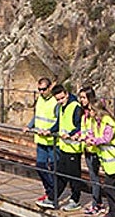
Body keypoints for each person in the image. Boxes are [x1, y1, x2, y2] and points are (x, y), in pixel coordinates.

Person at [85, 97, 115, 217]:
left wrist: (93, 141)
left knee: (109, 187)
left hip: (114, 159)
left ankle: (113, 213)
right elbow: (94, 133)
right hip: (109, 159)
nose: (90, 113)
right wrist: (88, 137)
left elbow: (106, 138)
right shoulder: (97, 121)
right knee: (111, 186)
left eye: (91, 110)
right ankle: (113, 211)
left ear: (97, 111)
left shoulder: (108, 122)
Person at [24, 78, 59, 208]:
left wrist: (50, 131)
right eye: (39, 90)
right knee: (40, 166)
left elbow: (59, 120)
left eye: (44, 89)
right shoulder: (39, 99)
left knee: (54, 169)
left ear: (50, 88)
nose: (41, 92)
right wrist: (29, 126)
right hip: (40, 139)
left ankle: (53, 195)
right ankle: (50, 193)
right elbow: (37, 115)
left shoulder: (55, 101)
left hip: (52, 141)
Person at [53, 84, 85, 210]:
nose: (60, 101)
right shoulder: (62, 107)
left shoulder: (75, 107)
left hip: (73, 147)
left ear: (66, 94)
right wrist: (49, 130)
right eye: (58, 100)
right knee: (60, 173)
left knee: (74, 176)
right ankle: (52, 197)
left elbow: (80, 126)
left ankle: (75, 199)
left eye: (62, 98)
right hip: (64, 146)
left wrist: (70, 134)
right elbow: (59, 124)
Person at [78, 86, 103, 216]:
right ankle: (97, 203)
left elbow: (100, 130)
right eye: (80, 97)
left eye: (83, 97)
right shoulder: (85, 113)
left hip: (95, 149)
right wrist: (80, 136)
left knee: (95, 178)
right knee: (93, 177)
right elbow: (85, 129)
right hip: (87, 148)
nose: (81, 100)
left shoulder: (95, 113)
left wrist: (92, 140)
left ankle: (97, 204)